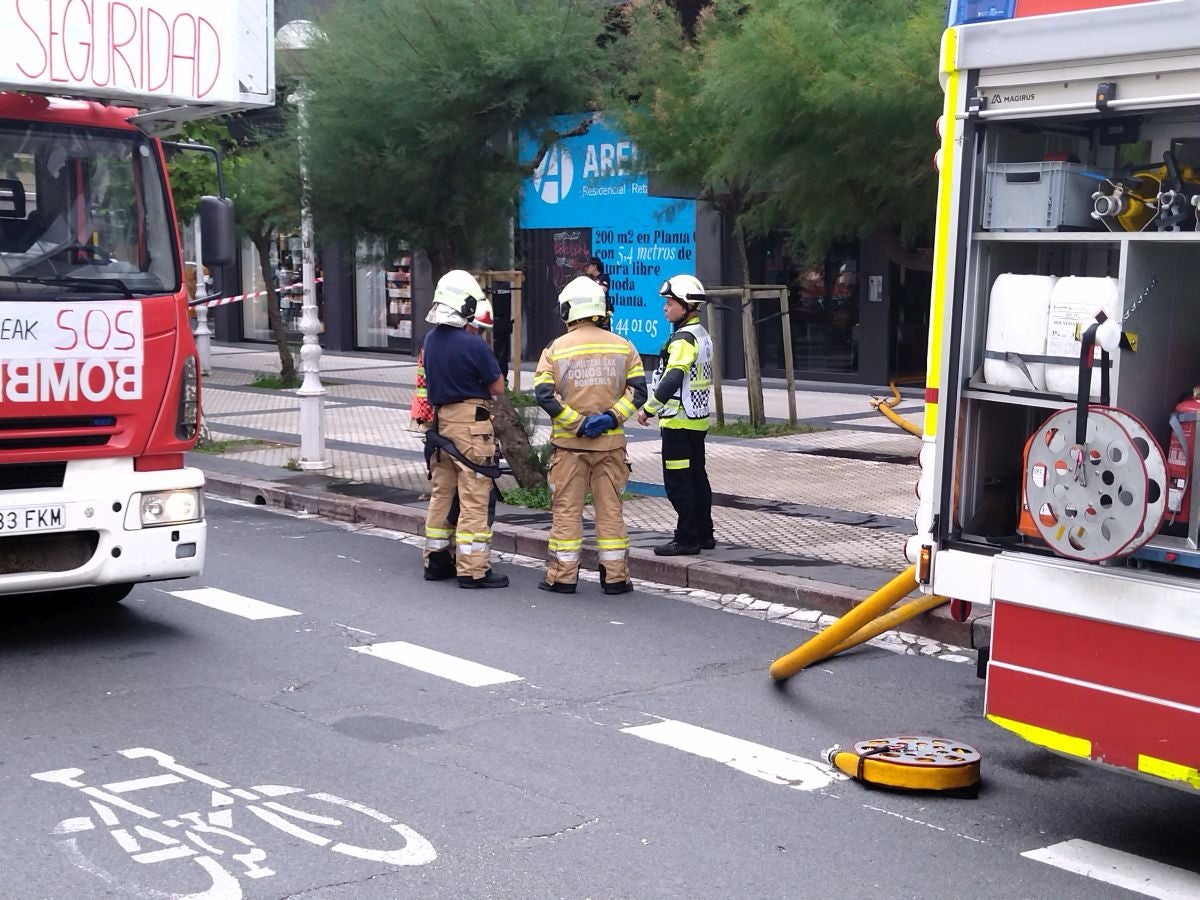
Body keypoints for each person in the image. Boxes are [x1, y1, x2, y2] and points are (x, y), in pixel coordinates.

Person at [534, 276, 647, 594]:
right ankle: (615, 578)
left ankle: (563, 578)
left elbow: (544, 394)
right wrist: (610, 418)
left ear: (568, 310)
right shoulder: (624, 346)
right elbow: (637, 392)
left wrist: (577, 424)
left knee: (567, 511)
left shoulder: (555, 349)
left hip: (570, 447)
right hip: (610, 445)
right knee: (610, 510)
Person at [421, 270, 509, 589]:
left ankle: (436, 559)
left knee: (442, 493)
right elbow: (497, 386)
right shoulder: (473, 343)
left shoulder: (430, 340)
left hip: (440, 425)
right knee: (474, 495)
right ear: (466, 305)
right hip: (471, 426)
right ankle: (473, 569)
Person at [637, 274, 715, 556]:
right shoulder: (701, 335)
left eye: (670, 302)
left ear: (686, 306)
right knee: (697, 478)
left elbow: (673, 377)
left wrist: (649, 408)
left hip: (678, 424)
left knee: (678, 482)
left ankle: (686, 538)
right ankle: (704, 534)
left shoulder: (683, 339)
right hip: (696, 421)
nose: (665, 308)